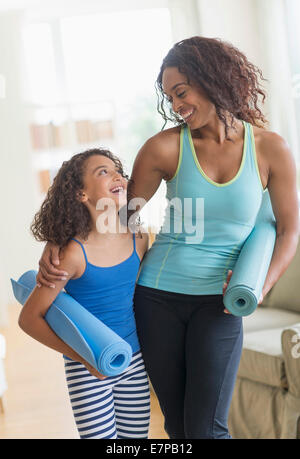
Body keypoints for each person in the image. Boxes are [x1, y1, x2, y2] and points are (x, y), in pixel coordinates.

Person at [37, 36, 299, 439]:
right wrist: (61, 241)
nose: (176, 105)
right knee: (177, 426)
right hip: (157, 299)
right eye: (170, 96)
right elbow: (117, 219)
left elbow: (288, 229)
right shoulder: (164, 148)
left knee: (206, 428)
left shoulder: (270, 148)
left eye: (182, 92)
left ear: (215, 80)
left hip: (222, 303)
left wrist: (260, 286)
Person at [18, 148, 150, 440]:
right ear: (81, 194)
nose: (117, 175)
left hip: (134, 360)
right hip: (86, 368)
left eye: (118, 170)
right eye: (102, 172)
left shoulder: (139, 238)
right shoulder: (72, 254)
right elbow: (29, 318)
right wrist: (81, 357)